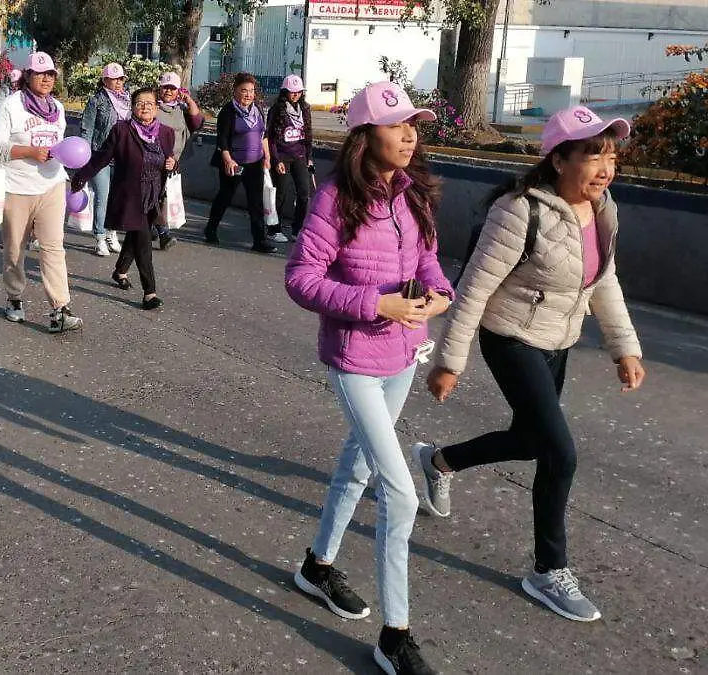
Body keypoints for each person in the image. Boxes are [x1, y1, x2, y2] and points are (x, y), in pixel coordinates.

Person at [420, 106, 645, 624]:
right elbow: (474, 287)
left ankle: (438, 461)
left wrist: (624, 348)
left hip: (557, 341)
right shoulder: (519, 210)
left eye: (611, 155)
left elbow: (602, 281)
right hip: (511, 337)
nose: (606, 167)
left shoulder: (602, 210)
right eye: (593, 154)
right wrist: (450, 359)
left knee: (529, 440)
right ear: (559, 157)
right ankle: (548, 570)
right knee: (560, 453)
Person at [284, 81, 451, 675]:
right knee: (401, 495)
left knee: (357, 465)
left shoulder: (412, 196)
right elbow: (301, 280)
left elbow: (429, 262)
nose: (409, 135)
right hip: (355, 359)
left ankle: (316, 567)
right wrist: (375, 305)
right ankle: (395, 635)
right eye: (396, 125)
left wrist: (438, 295)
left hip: (405, 355)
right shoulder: (334, 198)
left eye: (414, 125)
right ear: (364, 135)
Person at [0, 51, 83, 333]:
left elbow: (60, 145)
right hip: (17, 188)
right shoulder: (10, 105)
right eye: (40, 74)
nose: (46, 79)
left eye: (50, 74)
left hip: (51, 185)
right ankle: (14, 297)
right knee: (15, 249)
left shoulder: (58, 109)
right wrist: (29, 151)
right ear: (27, 76)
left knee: (53, 247)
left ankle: (60, 309)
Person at [71, 87, 176, 310]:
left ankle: (119, 271)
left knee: (135, 237)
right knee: (143, 240)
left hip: (153, 196)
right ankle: (150, 292)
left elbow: (169, 161)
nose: (145, 106)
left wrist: (172, 164)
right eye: (139, 103)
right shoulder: (121, 130)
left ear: (156, 107)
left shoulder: (166, 133)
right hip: (130, 197)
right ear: (132, 108)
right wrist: (81, 176)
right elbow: (102, 157)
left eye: (149, 102)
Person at [205, 72, 275, 253]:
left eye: (251, 91)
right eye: (244, 91)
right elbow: (223, 140)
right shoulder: (228, 112)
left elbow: (263, 135)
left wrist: (267, 157)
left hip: (255, 163)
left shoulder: (257, 110)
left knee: (256, 202)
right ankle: (211, 229)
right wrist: (228, 160)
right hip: (235, 163)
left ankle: (260, 240)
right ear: (235, 91)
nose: (248, 95)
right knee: (225, 197)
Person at [79, 62, 130, 257]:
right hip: (101, 155)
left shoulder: (127, 99)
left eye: (121, 78)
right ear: (104, 80)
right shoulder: (96, 100)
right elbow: (87, 128)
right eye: (114, 78)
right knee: (103, 197)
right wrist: (85, 156)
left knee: (118, 197)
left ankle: (111, 232)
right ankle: (99, 236)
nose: (118, 82)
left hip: (123, 156)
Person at [154, 72, 204, 250]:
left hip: (174, 161)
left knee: (163, 196)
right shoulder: (153, 107)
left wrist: (189, 100)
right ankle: (163, 233)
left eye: (172, 88)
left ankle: (153, 226)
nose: (168, 91)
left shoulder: (181, 110)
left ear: (177, 91)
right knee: (155, 196)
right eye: (165, 87)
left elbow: (197, 122)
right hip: (153, 159)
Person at [267, 74, 315, 241]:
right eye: (291, 92)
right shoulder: (276, 110)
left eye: (298, 92)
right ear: (284, 92)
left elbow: (308, 134)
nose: (295, 95)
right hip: (283, 156)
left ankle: (297, 229)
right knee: (281, 194)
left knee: (304, 193)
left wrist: (309, 156)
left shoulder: (305, 108)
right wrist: (276, 159)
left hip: (300, 155)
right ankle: (274, 229)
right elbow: (270, 138)